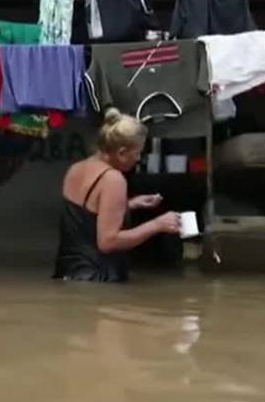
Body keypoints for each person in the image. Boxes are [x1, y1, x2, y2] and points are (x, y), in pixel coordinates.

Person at [53, 108, 181, 282]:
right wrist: (158, 225)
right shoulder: (113, 179)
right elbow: (108, 242)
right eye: (137, 153)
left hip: (67, 273)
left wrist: (129, 204)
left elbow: (86, 218)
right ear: (121, 153)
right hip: (98, 278)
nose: (138, 159)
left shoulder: (76, 169)